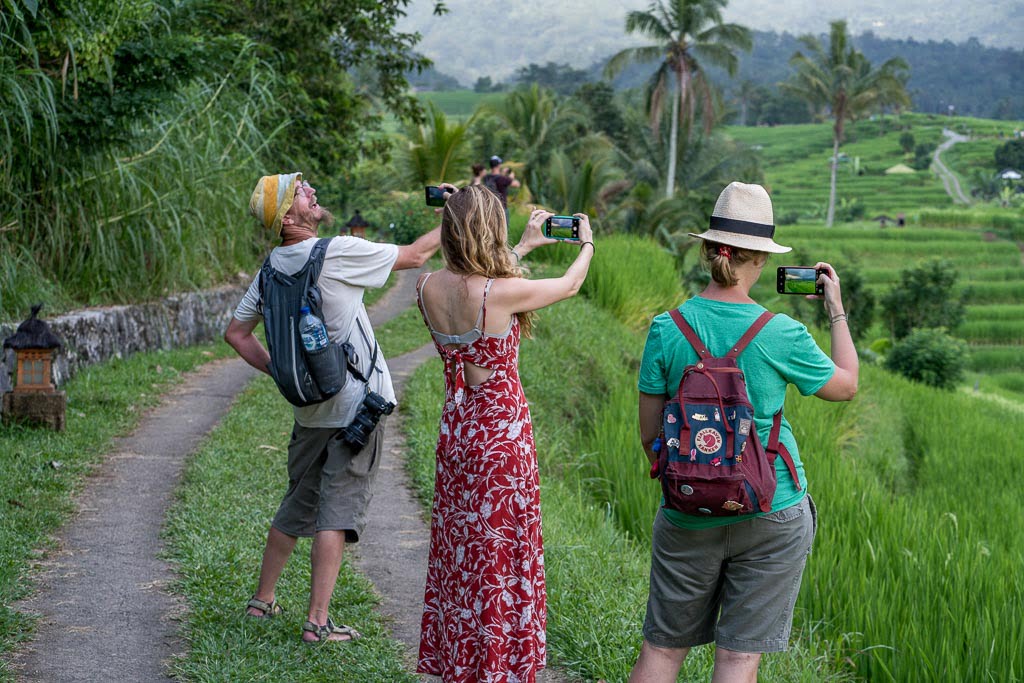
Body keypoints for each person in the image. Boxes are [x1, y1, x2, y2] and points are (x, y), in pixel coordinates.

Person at [631, 182, 858, 682]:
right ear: (760, 260)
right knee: (737, 659)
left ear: (710, 249)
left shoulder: (667, 327)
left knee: (662, 650)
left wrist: (695, 473)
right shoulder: (780, 332)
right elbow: (845, 387)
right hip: (770, 508)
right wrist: (835, 310)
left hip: (686, 509)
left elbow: (650, 434)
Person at [224, 172, 442, 643]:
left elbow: (236, 335)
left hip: (308, 414)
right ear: (288, 215)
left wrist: (281, 371)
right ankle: (318, 623)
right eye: (302, 192)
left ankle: (262, 601)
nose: (312, 193)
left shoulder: (270, 269)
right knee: (336, 513)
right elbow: (416, 256)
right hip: (355, 408)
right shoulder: (336, 251)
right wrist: (456, 212)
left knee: (296, 503)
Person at [414, 185, 595, 683]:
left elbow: (477, 283)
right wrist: (587, 246)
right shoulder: (499, 293)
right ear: (486, 231)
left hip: (457, 429)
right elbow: (569, 286)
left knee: (462, 548)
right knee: (501, 550)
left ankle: (463, 664)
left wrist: (526, 245)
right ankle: (498, 668)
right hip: (501, 435)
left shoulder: (428, 286)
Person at [482, 154, 521, 225]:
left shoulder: (486, 178)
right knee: (504, 230)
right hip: (501, 208)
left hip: (489, 208)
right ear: (499, 165)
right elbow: (517, 184)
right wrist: (511, 177)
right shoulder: (503, 178)